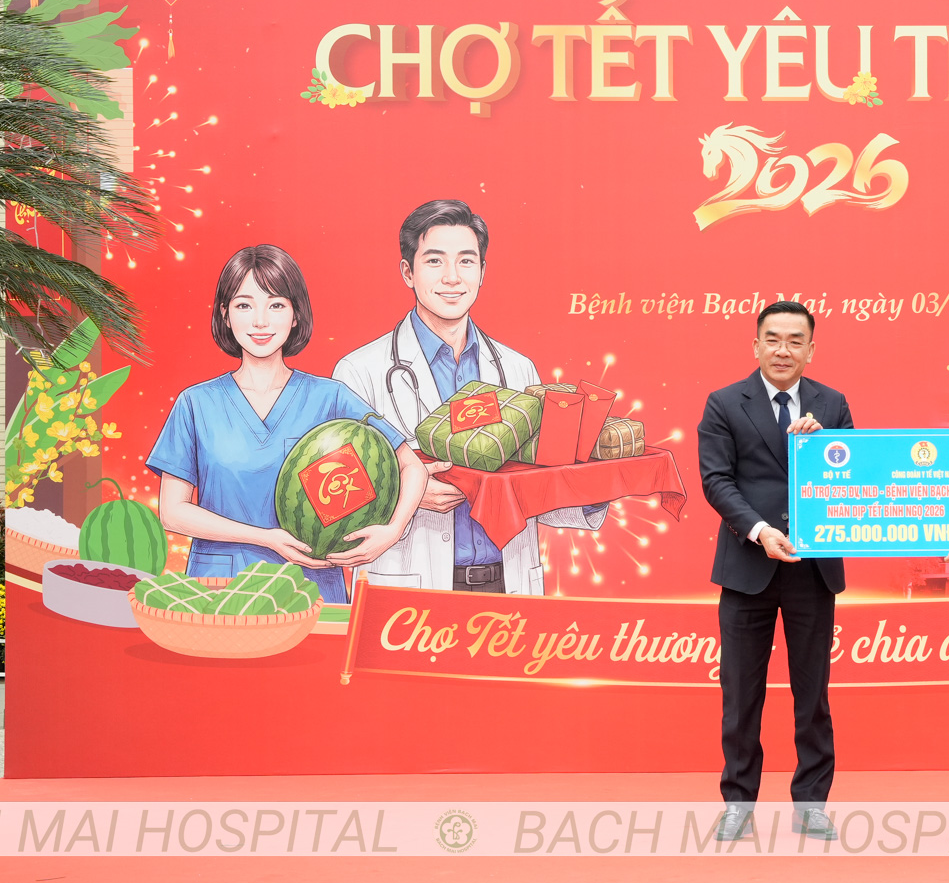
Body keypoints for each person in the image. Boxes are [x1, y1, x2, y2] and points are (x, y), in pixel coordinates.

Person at [333, 199, 606, 594]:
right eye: (434, 261)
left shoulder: (518, 370)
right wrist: (406, 494)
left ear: (482, 272)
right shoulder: (360, 373)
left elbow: (535, 488)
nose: (452, 278)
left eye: (465, 261)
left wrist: (596, 485)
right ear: (407, 272)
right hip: (411, 585)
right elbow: (339, 493)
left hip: (509, 582)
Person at [147, 244, 436, 605]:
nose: (260, 321)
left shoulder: (331, 398)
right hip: (219, 588)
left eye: (276, 305)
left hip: (312, 589)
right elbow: (173, 513)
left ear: (296, 314)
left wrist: (392, 531)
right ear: (225, 315)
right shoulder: (195, 404)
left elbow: (411, 467)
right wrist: (265, 538)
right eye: (244, 305)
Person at [697, 300, 850, 843]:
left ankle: (812, 804)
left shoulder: (832, 404)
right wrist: (760, 530)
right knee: (741, 694)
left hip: (813, 569)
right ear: (756, 344)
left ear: (811, 349)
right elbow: (717, 481)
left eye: (795, 340)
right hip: (748, 567)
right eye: (773, 339)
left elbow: (850, 478)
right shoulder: (724, 403)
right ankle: (738, 803)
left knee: (813, 694)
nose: (783, 350)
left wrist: (822, 448)